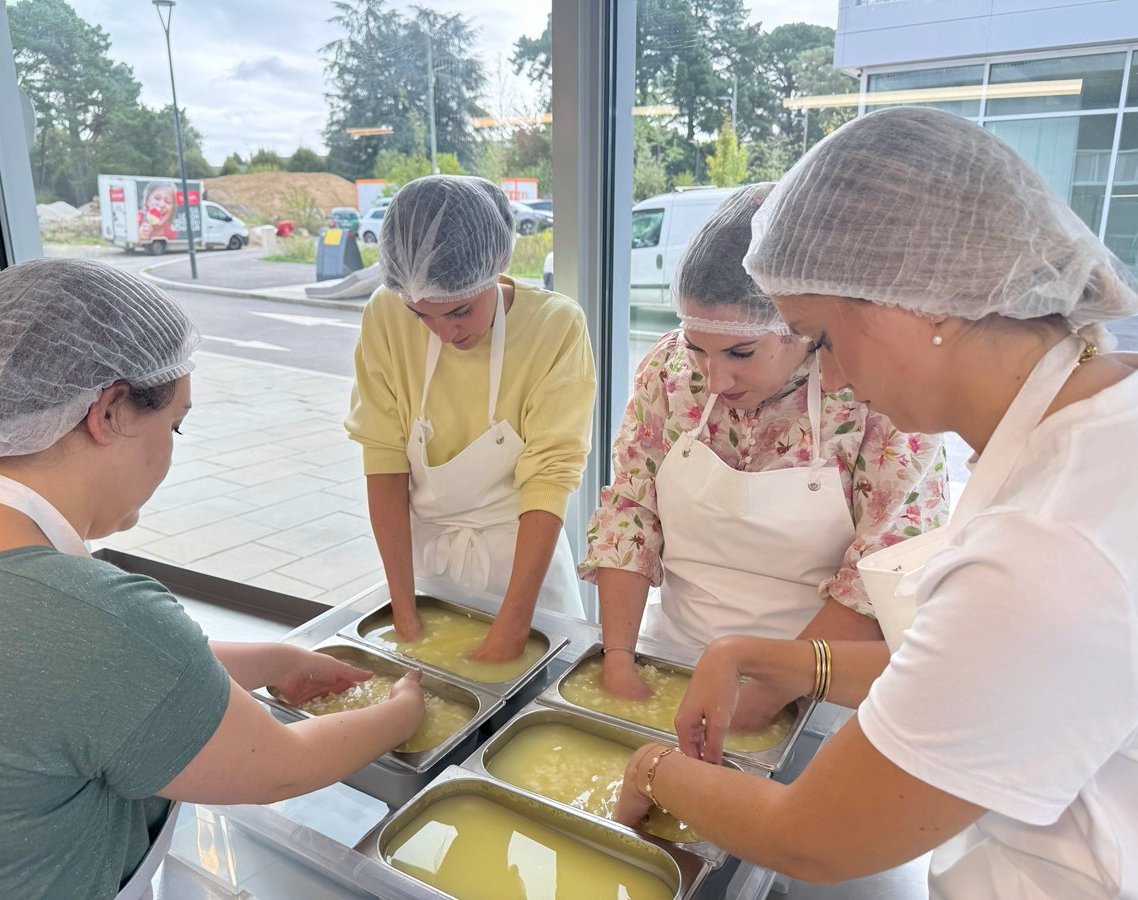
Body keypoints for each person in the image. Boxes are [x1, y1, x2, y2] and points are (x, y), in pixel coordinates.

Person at [612, 107, 1138, 899]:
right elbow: (975, 664)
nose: (837, 372)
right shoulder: (1098, 425)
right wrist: (758, 656)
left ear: (920, 303)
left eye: (818, 337)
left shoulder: (1051, 544)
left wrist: (654, 769)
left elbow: (816, 838)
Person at [0, 259, 425, 900]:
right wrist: (402, 714)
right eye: (175, 424)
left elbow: (58, 678)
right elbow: (279, 766)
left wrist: (275, 659)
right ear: (109, 410)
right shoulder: (98, 618)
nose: (172, 448)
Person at [579, 183, 947, 725]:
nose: (714, 376)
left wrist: (763, 697)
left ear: (804, 327)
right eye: (696, 347)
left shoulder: (875, 397)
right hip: (673, 659)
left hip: (817, 685)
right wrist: (619, 661)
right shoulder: (669, 374)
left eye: (741, 352)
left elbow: (882, 573)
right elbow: (630, 512)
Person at [346, 176, 595, 662]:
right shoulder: (385, 316)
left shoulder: (555, 326)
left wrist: (512, 626)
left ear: (497, 267)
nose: (443, 332)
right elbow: (384, 460)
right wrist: (403, 608)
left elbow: (550, 475)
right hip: (427, 567)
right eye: (423, 316)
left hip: (525, 571)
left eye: (460, 310)